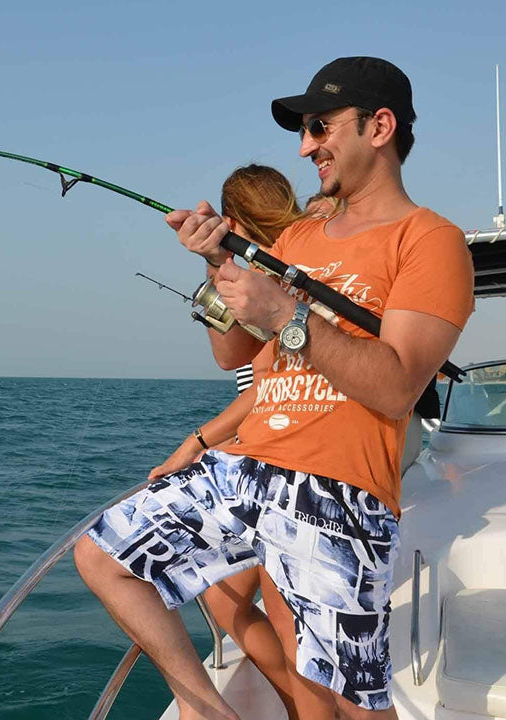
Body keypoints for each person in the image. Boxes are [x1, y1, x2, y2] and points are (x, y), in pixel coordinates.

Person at [75, 57, 475, 720]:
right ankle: (207, 707)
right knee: (103, 557)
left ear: (380, 126)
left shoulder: (430, 242)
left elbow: (398, 386)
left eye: (320, 127)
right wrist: (219, 267)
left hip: (338, 491)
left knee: (339, 703)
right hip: (248, 466)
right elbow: (236, 350)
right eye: (303, 130)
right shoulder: (297, 237)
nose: (305, 146)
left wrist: (288, 315)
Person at [149, 163, 306, 720]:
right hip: (269, 448)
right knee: (226, 592)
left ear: (233, 217)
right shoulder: (301, 263)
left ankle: (301, 706)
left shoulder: (275, 277)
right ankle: (296, 701)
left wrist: (195, 442)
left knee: (276, 606)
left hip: (276, 452)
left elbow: (241, 367)